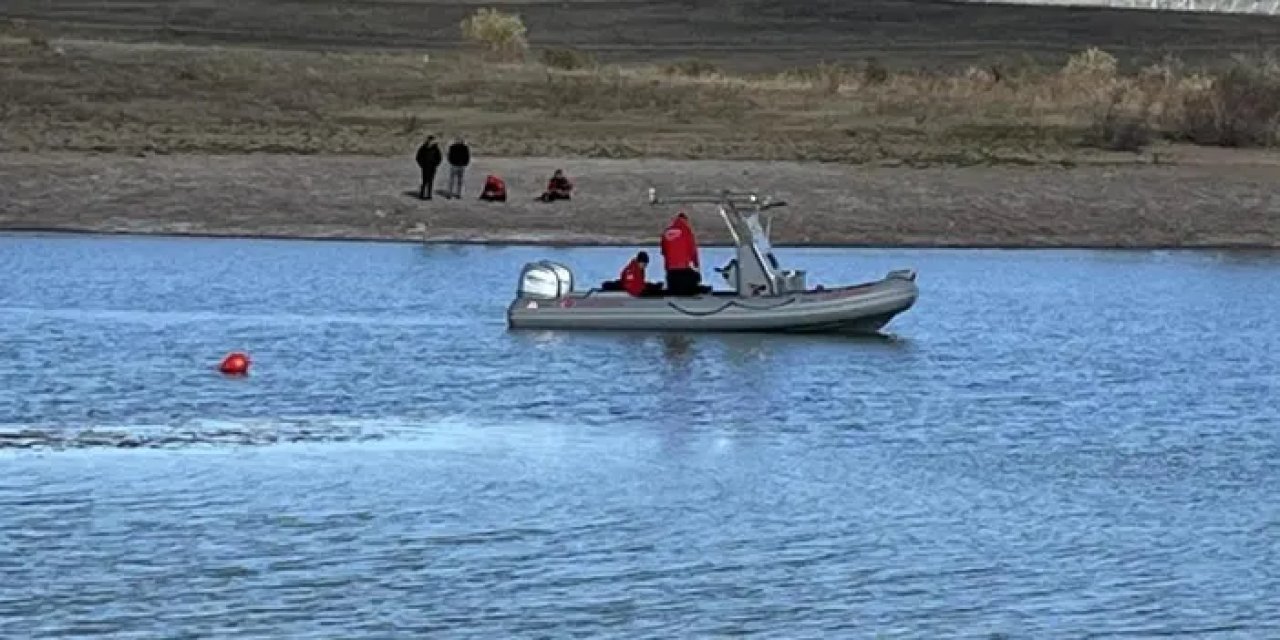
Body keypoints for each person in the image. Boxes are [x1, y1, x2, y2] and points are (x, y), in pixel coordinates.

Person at [660, 211, 703, 296]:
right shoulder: (686, 231)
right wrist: (696, 264)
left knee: (673, 289)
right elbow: (693, 250)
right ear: (685, 221)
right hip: (683, 268)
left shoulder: (667, 232)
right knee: (695, 278)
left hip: (670, 270)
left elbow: (664, 251)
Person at [414, 135, 442, 200]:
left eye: (432, 140)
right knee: (424, 181)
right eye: (429, 140)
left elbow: (439, 158)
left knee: (430, 181)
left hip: (432, 167)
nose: (430, 141)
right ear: (427, 140)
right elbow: (418, 157)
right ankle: (422, 194)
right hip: (425, 167)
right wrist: (422, 165)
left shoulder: (436, 148)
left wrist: (435, 164)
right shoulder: (423, 148)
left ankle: (429, 195)